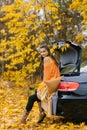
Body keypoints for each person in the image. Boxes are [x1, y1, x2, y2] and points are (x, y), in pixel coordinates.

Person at [20, 44, 60, 124]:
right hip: (54, 84)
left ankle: (23, 119)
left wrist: (41, 86)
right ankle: (41, 113)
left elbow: (47, 77)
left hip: (50, 85)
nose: (42, 54)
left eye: (44, 51)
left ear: (48, 51)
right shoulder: (52, 59)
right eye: (41, 52)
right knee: (36, 92)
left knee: (31, 98)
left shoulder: (46, 59)